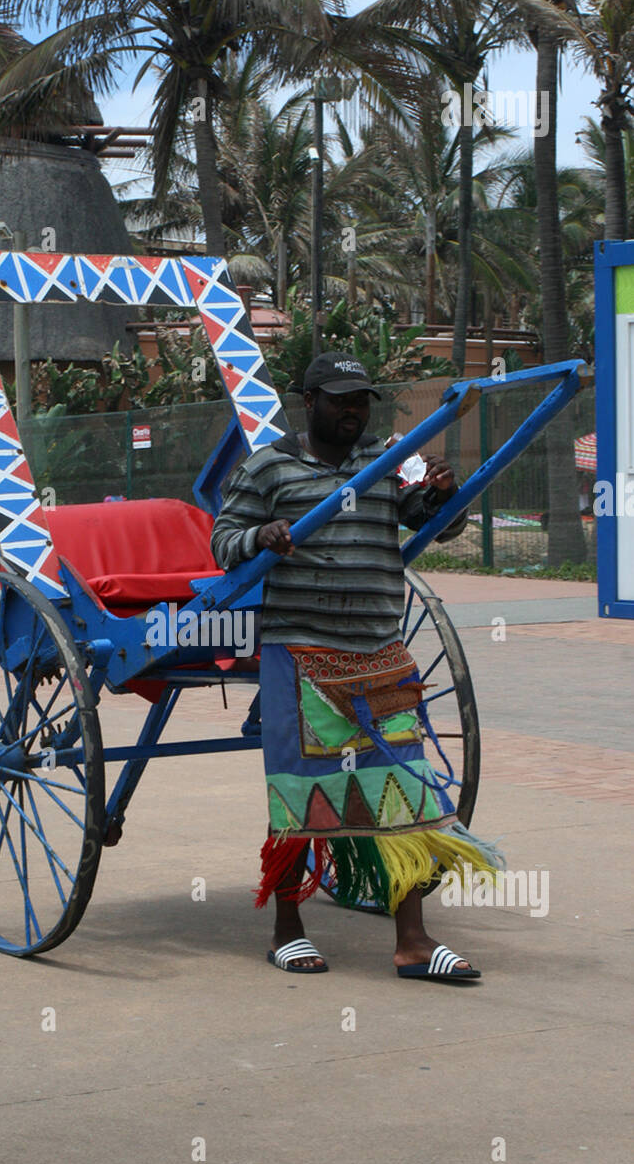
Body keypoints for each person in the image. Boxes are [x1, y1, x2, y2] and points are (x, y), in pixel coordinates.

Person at [210, 352, 502, 978]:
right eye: (340, 400)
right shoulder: (268, 467)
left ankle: (414, 943)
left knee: (408, 792)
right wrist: (262, 537)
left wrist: (443, 498)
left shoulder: (389, 462)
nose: (353, 411)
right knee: (298, 794)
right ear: (308, 401)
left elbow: (433, 525)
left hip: (379, 652)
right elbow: (224, 539)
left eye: (362, 400)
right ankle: (287, 929)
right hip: (300, 654)